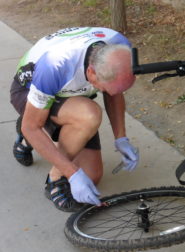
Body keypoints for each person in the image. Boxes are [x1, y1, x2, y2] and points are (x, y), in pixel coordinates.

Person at [10, 27, 139, 212]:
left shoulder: (120, 48)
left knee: (92, 176)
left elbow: (115, 94)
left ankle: (47, 133)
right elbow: (31, 126)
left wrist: (121, 138)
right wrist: (70, 173)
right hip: (30, 91)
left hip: (73, 94)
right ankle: (54, 179)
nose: (110, 93)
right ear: (92, 72)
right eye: (104, 88)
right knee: (89, 114)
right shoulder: (55, 64)